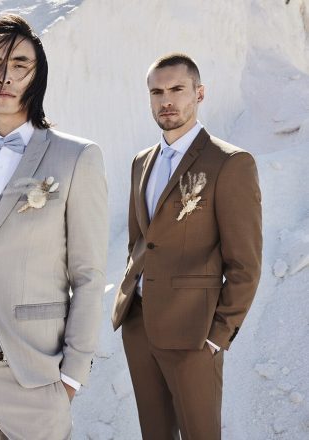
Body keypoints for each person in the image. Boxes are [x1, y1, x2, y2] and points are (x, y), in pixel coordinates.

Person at [0, 15, 108, 439]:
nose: (5, 77)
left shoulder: (77, 157)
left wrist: (72, 376)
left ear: (37, 75)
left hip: (35, 379)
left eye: (20, 64)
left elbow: (87, 275)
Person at [112, 53, 262, 440]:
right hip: (139, 326)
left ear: (199, 93)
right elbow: (139, 242)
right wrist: (130, 308)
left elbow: (245, 264)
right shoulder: (141, 162)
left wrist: (217, 336)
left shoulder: (230, 163)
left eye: (177, 89)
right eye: (157, 92)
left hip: (195, 334)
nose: (167, 100)